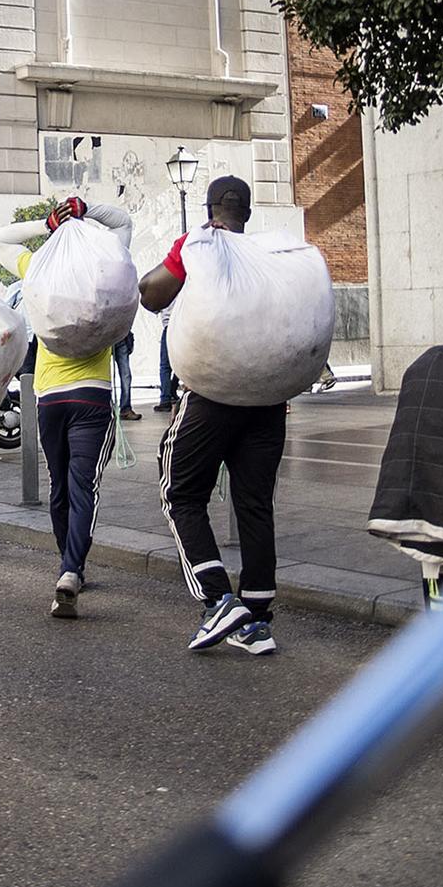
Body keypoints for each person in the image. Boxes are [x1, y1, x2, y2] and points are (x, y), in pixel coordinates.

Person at [139, 176, 282, 657]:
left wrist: (191, 244)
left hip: (213, 396)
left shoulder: (199, 244)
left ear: (210, 208)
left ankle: (218, 598)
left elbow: (151, 294)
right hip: (268, 402)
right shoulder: (266, 256)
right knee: (255, 505)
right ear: (247, 210)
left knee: (179, 491)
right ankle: (258, 620)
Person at [30, 197, 131, 618]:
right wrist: (86, 211)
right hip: (91, 394)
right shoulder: (103, 274)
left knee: (58, 485)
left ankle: (66, 565)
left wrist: (48, 224)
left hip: (48, 397)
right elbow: (123, 221)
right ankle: (72, 568)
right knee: (82, 485)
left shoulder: (39, 269)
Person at [110, 330, 141, 421]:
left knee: (126, 375)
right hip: (106, 340)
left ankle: (125, 409)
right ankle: (107, 408)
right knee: (105, 377)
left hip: (121, 338)